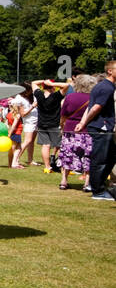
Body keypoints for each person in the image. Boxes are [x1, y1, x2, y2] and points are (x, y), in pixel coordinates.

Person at [74, 60, 116, 201]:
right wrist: (84, 122)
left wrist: (82, 122)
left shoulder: (102, 86)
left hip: (101, 127)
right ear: (110, 71)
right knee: (101, 159)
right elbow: (96, 107)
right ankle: (97, 191)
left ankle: (98, 186)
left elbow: (90, 106)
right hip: (101, 127)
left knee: (109, 158)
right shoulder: (107, 88)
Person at [58, 74, 95, 191]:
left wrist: (62, 126)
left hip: (70, 129)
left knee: (67, 155)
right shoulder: (93, 98)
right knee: (87, 156)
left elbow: (63, 115)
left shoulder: (70, 97)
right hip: (88, 130)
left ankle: (64, 181)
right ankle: (87, 183)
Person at [31, 78, 65, 173]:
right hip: (54, 124)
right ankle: (62, 167)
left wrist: (43, 81)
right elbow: (67, 85)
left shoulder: (39, 95)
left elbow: (33, 82)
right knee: (59, 146)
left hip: (42, 124)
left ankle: (47, 167)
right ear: (53, 88)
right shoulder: (56, 96)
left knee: (45, 146)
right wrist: (51, 83)